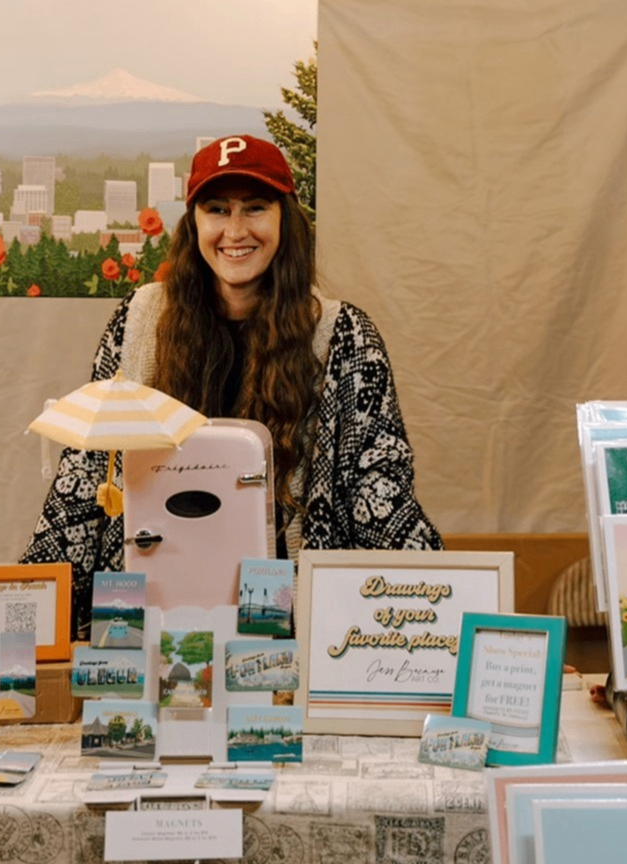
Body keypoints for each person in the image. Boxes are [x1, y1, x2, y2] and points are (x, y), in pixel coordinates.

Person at [22, 134, 444, 638]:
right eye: (217, 209)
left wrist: (444, 614)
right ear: (194, 222)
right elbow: (83, 482)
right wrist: (23, 619)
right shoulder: (138, 322)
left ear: (286, 219)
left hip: (284, 628)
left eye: (256, 208)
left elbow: (380, 493)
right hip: (151, 617)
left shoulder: (343, 337)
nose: (235, 230)